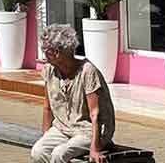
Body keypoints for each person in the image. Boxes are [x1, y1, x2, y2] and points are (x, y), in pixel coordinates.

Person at [32, 24, 115, 163]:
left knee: (59, 154)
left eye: (46, 50)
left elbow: (96, 114)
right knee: (38, 151)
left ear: (57, 52)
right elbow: (47, 108)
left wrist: (95, 148)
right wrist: (45, 137)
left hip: (89, 131)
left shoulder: (87, 71)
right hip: (63, 128)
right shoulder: (49, 71)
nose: (43, 54)